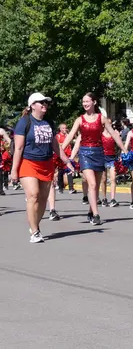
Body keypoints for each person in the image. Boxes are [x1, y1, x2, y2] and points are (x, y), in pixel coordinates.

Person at [11, 93, 74, 242]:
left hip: (47, 163)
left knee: (43, 199)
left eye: (46, 103)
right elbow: (18, 148)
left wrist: (67, 161)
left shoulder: (48, 122)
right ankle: (35, 232)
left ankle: (34, 224)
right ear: (32, 105)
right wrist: (14, 170)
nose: (44, 104)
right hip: (28, 163)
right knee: (33, 195)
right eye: (41, 102)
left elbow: (55, 146)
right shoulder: (24, 122)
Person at [61, 93, 126, 224]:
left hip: (99, 153)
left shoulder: (102, 119)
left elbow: (113, 133)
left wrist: (124, 149)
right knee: (92, 184)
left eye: (87, 101)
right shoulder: (79, 120)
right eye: (83, 102)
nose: (85, 104)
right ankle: (96, 215)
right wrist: (60, 149)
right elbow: (71, 135)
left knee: (95, 187)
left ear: (94, 102)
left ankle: (91, 211)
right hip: (85, 153)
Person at [55, 123, 76, 194]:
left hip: (69, 155)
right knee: (61, 171)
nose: (65, 129)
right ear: (60, 129)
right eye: (63, 128)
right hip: (61, 155)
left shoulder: (68, 135)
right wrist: (65, 142)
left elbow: (73, 140)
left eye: (65, 128)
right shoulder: (58, 136)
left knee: (70, 170)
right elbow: (57, 144)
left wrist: (68, 137)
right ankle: (60, 187)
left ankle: (71, 188)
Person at [101, 127, 119, 207]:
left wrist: (118, 136)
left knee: (113, 178)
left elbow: (119, 144)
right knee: (103, 179)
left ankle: (113, 199)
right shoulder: (100, 134)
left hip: (112, 158)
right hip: (103, 157)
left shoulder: (114, 134)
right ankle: (104, 198)